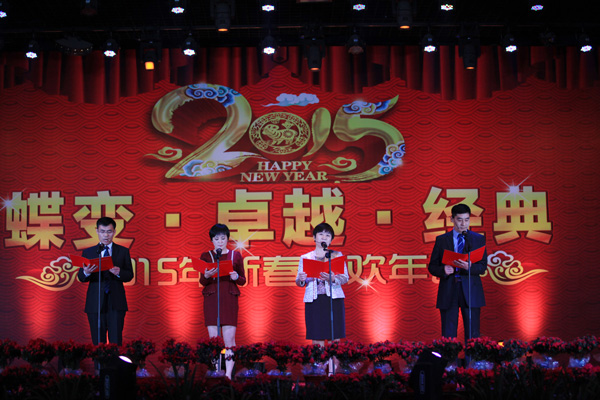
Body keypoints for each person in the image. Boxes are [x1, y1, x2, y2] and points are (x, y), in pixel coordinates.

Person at [428, 203, 487, 340]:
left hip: (471, 290)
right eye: (459, 220)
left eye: (467, 219)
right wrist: (443, 270)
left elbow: (483, 266)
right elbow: (432, 266)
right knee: (448, 333)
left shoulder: (478, 239)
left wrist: (469, 267)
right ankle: (450, 355)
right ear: (452, 219)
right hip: (449, 288)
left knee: (472, 334)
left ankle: (472, 355)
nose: (463, 224)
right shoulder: (442, 240)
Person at [295, 222, 349, 371]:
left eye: (327, 235)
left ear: (331, 239)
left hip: (334, 300)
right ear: (314, 237)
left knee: (334, 336)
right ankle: (318, 370)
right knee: (317, 335)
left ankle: (333, 370)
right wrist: (302, 279)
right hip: (314, 301)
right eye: (321, 234)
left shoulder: (337, 255)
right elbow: (299, 281)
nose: (324, 237)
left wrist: (333, 278)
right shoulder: (305, 257)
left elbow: (345, 277)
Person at [77, 216, 134, 346]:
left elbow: (129, 275)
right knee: (98, 342)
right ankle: (99, 361)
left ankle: (115, 360)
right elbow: (81, 277)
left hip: (116, 302)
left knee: (116, 341)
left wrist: (119, 273)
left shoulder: (123, 251)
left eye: (109, 231)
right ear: (97, 231)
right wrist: (87, 272)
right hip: (95, 303)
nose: (106, 235)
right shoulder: (89, 252)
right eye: (102, 231)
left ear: (114, 232)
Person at [199, 223, 246, 380]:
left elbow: (243, 280)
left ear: (227, 239)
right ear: (212, 240)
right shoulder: (206, 256)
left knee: (229, 339)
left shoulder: (235, 256)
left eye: (223, 238)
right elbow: (202, 281)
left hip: (229, 298)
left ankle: (228, 375)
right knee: (214, 340)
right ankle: (216, 372)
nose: (220, 241)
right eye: (216, 239)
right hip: (212, 299)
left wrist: (236, 277)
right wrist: (206, 275)